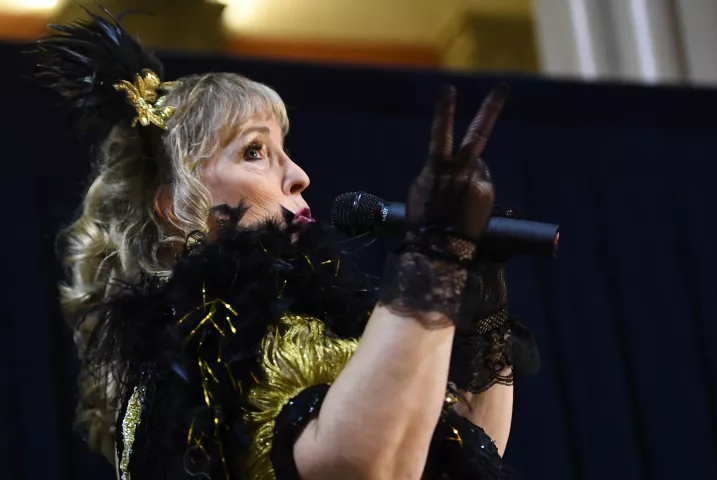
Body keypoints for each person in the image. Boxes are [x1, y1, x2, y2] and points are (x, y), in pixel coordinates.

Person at [36, 8, 539, 480]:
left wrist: (481, 299)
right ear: (177, 206)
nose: (299, 175)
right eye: (254, 151)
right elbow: (360, 463)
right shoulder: (206, 347)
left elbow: (458, 452)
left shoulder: (291, 327)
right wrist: (433, 257)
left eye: (285, 150)